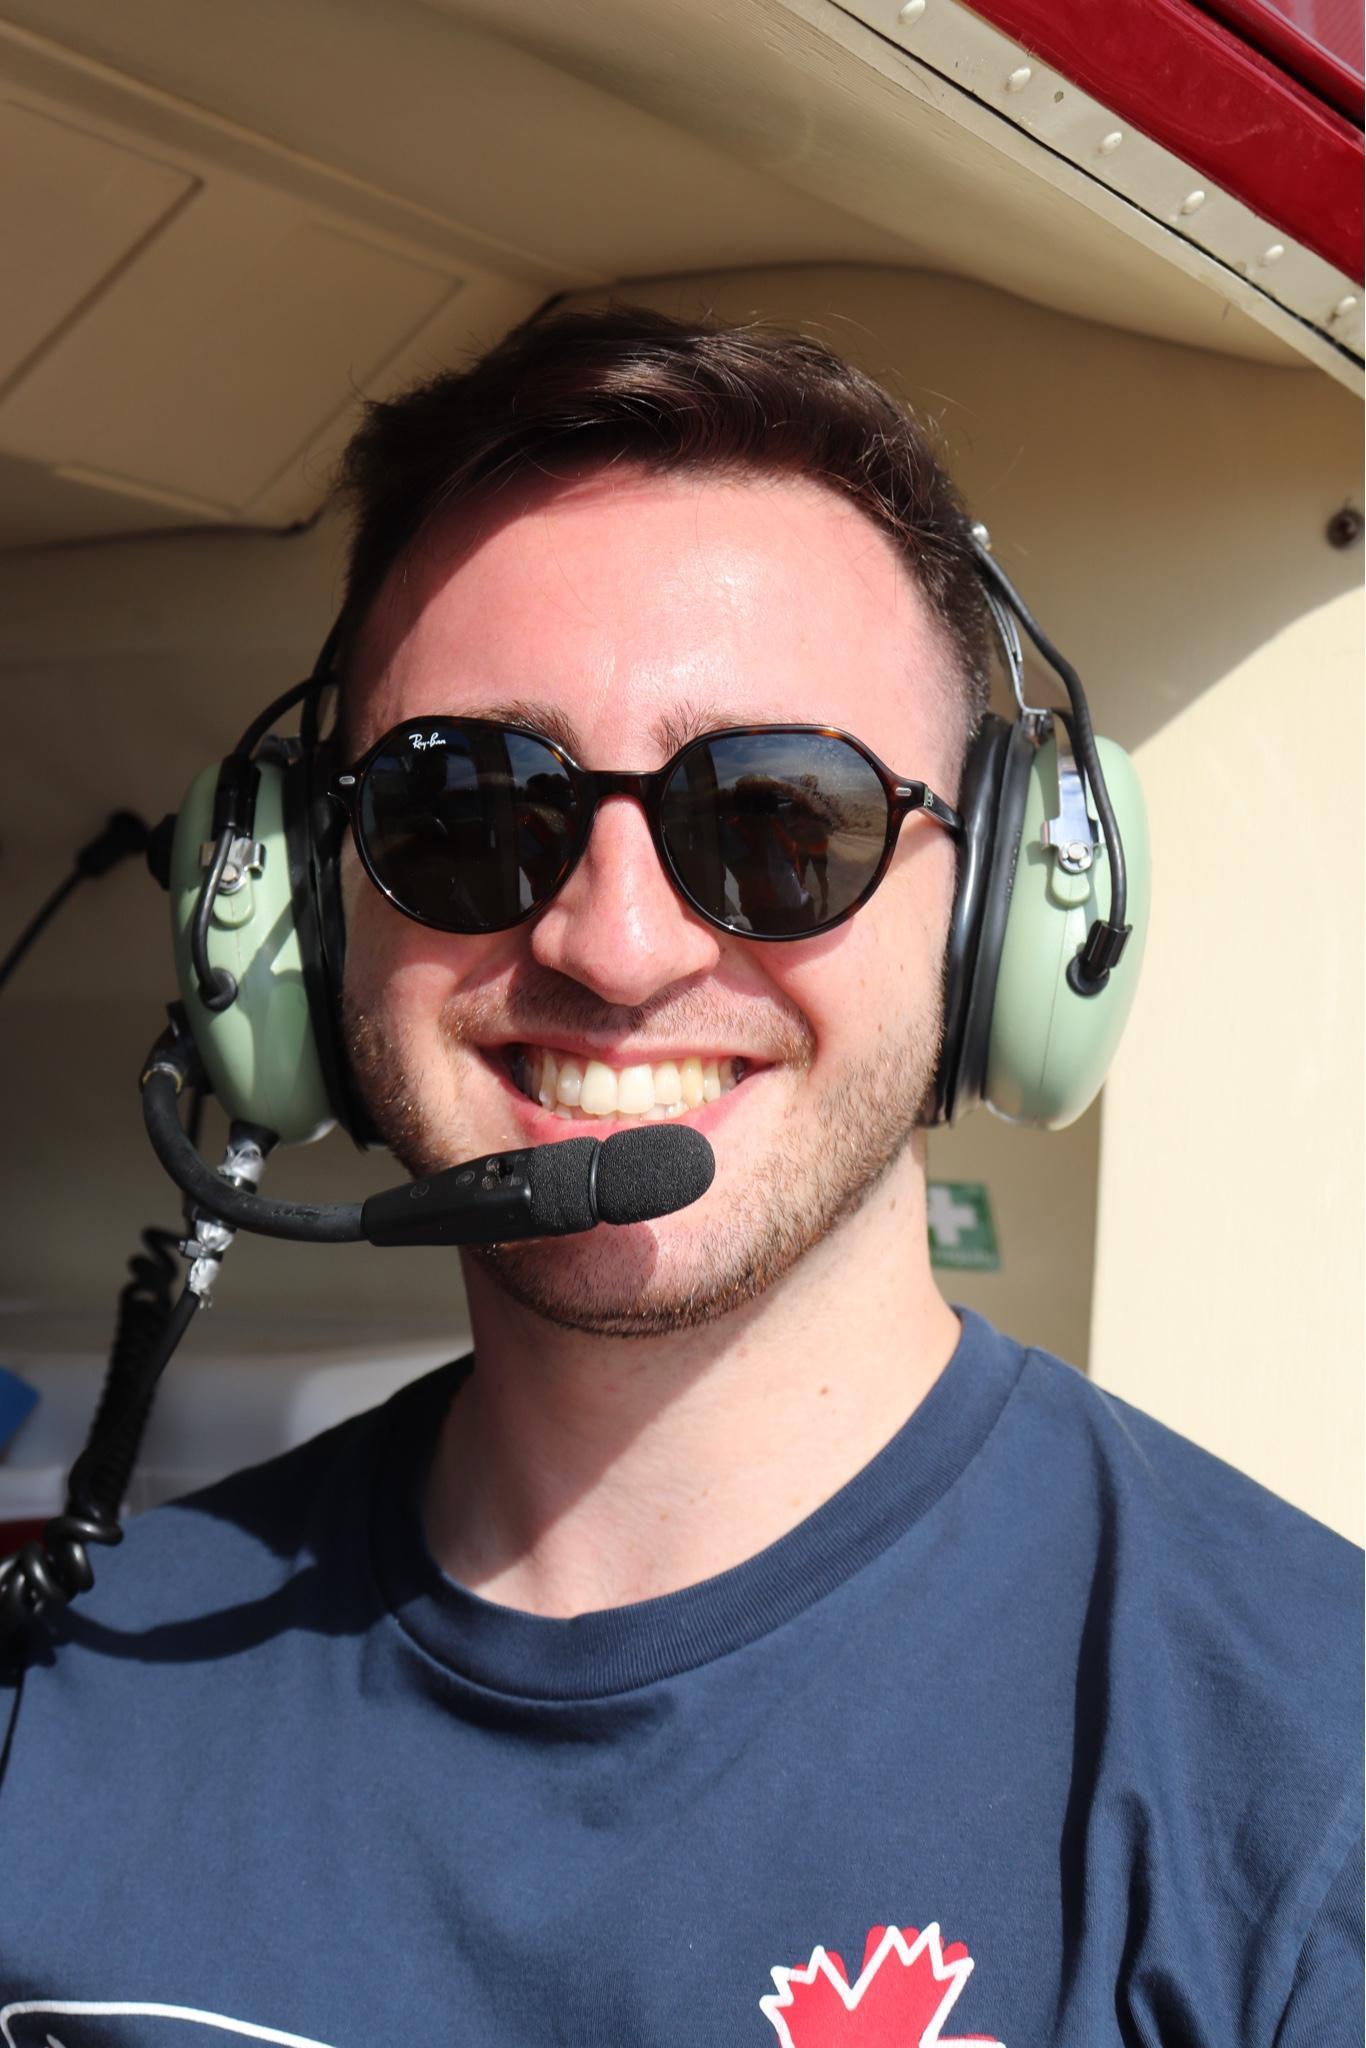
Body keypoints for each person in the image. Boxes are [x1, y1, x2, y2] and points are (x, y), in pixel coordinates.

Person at [1, 309, 1359, 2048]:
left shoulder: (1307, 1791)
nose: (616, 944)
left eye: (776, 818)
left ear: (1001, 911)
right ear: (296, 904)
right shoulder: (69, 1695)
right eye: (465, 809)